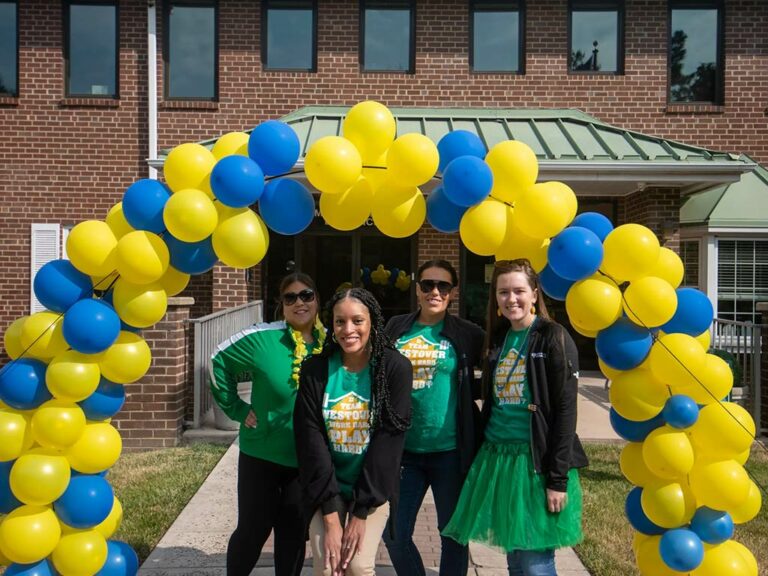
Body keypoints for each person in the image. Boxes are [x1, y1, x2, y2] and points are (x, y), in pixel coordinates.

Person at [443, 259, 588, 576]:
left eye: (519, 291)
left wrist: (557, 480)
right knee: (515, 559)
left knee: (534, 563)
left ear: (535, 293)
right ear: (495, 298)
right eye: (503, 292)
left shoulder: (553, 337)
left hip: (534, 462)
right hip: (498, 460)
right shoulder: (498, 340)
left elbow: (566, 413)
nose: (512, 299)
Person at [209, 272, 326, 576]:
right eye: (291, 297)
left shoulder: (331, 344)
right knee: (253, 529)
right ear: (282, 305)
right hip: (261, 454)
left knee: (292, 533)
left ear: (317, 300)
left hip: (306, 458)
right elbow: (217, 359)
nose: (299, 302)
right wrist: (236, 408)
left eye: (306, 295)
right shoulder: (262, 338)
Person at [294, 288, 412, 576]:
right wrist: (332, 518)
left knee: (357, 566)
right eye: (339, 322)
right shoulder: (315, 370)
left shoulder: (395, 368)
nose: (348, 330)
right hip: (327, 487)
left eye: (357, 321)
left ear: (372, 322)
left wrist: (359, 514)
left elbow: (388, 445)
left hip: (370, 489)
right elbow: (311, 442)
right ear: (331, 325)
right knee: (328, 567)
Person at [383, 260, 485, 576]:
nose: (435, 292)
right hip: (405, 453)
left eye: (443, 286)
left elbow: (490, 378)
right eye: (428, 285)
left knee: (452, 536)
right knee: (395, 535)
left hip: (451, 453)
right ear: (417, 289)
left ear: (453, 293)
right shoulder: (395, 328)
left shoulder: (469, 334)